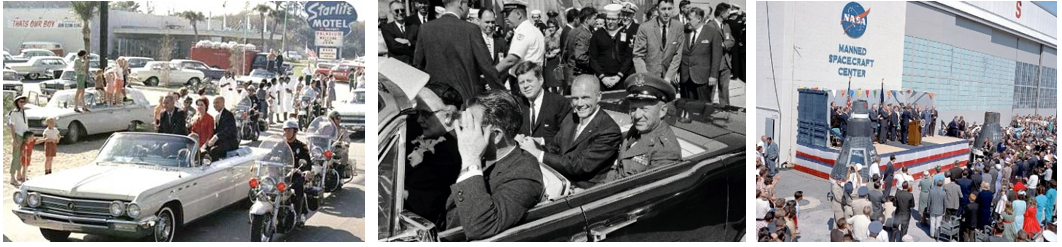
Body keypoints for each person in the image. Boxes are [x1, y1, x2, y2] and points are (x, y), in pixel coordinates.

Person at [443, 90, 544, 240]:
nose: (463, 133)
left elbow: (482, 227)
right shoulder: (484, 155)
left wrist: (471, 160)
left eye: (471, 126)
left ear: (496, 135)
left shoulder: (524, 173)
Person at [519, 75, 621, 188]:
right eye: (575, 98)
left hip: (584, 190)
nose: (580, 104)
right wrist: (530, 145)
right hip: (559, 181)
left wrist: (538, 154)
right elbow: (553, 148)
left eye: (585, 97)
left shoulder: (608, 130)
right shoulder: (571, 118)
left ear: (598, 97)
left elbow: (579, 166)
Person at [413, 0, 501, 102]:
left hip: (436, 101)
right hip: (466, 101)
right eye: (468, 4)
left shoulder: (425, 28)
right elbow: (487, 67)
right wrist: (504, 95)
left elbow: (417, 68)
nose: (469, 8)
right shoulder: (471, 29)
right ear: (460, 3)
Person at [598, 73, 681, 182]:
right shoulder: (637, 130)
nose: (637, 116)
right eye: (633, 109)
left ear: (662, 111)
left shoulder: (667, 151)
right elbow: (619, 172)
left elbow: (643, 192)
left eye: (644, 109)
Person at [405, 83, 464, 223]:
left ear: (448, 115)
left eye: (426, 114)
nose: (419, 119)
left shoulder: (451, 150)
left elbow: (425, 199)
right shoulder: (442, 139)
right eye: (417, 113)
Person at [512, 62, 571, 146]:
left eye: (529, 81)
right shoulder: (517, 105)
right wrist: (515, 137)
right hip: (523, 156)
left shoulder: (559, 103)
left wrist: (541, 141)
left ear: (541, 80)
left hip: (549, 155)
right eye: (521, 82)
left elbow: (566, 136)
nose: (525, 86)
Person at [496, 0, 546, 94]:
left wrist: (491, 73)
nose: (506, 18)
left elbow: (511, 60)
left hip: (523, 82)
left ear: (518, 14)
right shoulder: (534, 30)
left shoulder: (523, 32)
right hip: (534, 78)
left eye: (507, 14)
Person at [633, 0, 684, 84]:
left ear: (673, 9)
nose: (667, 12)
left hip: (669, 79)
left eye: (669, 9)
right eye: (663, 9)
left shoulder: (678, 27)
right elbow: (638, 55)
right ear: (658, 9)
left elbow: (677, 55)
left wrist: (669, 76)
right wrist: (644, 76)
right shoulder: (645, 28)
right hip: (649, 77)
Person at [589, 4, 635, 91]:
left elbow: (629, 57)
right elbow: (593, 58)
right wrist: (602, 77)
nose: (610, 21)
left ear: (619, 20)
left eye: (613, 19)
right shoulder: (597, 35)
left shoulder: (627, 34)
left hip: (621, 79)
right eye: (608, 19)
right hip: (602, 79)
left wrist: (619, 76)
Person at [678, 7, 715, 101]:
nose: (687, 22)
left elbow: (716, 57)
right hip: (685, 77)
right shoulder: (684, 32)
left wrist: (713, 75)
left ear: (699, 19)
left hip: (702, 78)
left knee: (704, 107)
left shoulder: (712, 32)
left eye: (690, 19)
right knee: (686, 106)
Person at [281, 120, 312, 223]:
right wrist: (259, 162)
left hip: (297, 173)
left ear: (295, 132)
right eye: (285, 130)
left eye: (289, 130)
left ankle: (299, 214)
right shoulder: (281, 145)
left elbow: (307, 161)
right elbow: (270, 154)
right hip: (282, 173)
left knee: (298, 187)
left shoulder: (301, 146)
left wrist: (306, 170)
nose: (286, 132)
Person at [704, 3, 734, 105]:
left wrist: (723, 44)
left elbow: (732, 41)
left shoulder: (726, 26)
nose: (729, 15)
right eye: (728, 13)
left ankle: (725, 110)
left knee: (724, 89)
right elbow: (707, 44)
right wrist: (718, 45)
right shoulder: (709, 26)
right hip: (714, 63)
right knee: (711, 89)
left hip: (726, 63)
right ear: (722, 13)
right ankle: (707, 111)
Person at [205, 97, 238, 161]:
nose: (215, 105)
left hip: (230, 142)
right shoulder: (217, 116)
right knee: (205, 148)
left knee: (214, 150)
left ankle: (215, 167)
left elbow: (229, 130)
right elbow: (215, 130)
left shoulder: (229, 114)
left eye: (217, 102)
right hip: (221, 141)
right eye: (214, 103)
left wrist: (216, 136)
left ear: (223, 103)